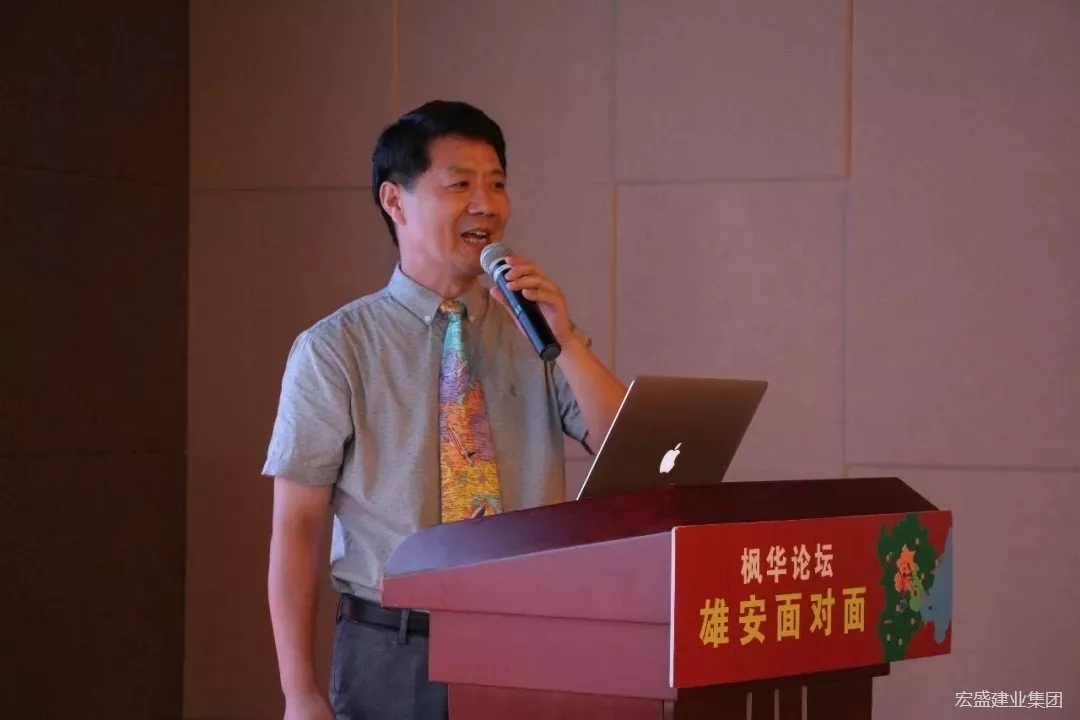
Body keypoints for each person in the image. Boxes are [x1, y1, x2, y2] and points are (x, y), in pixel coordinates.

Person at [263, 99, 627, 720]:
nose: (486, 204)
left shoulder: (535, 333)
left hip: (529, 640)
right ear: (395, 201)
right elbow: (296, 529)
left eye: (497, 184)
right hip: (393, 649)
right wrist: (299, 693)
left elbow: (629, 448)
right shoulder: (336, 348)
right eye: (460, 185)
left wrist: (566, 342)